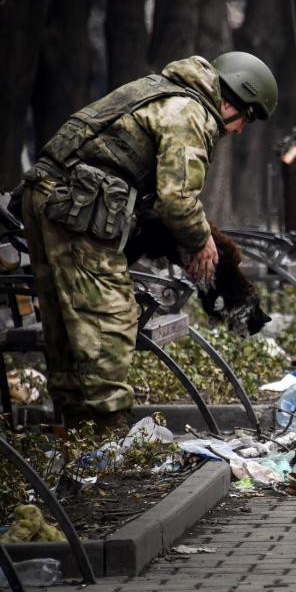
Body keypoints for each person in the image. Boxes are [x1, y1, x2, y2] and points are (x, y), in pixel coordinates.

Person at [21, 52, 278, 433]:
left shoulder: (163, 91)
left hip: (48, 197)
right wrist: (200, 240)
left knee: (65, 321)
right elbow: (177, 200)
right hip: (76, 208)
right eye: (247, 119)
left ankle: (74, 432)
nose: (239, 130)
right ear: (232, 101)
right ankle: (108, 435)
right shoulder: (191, 113)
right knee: (108, 318)